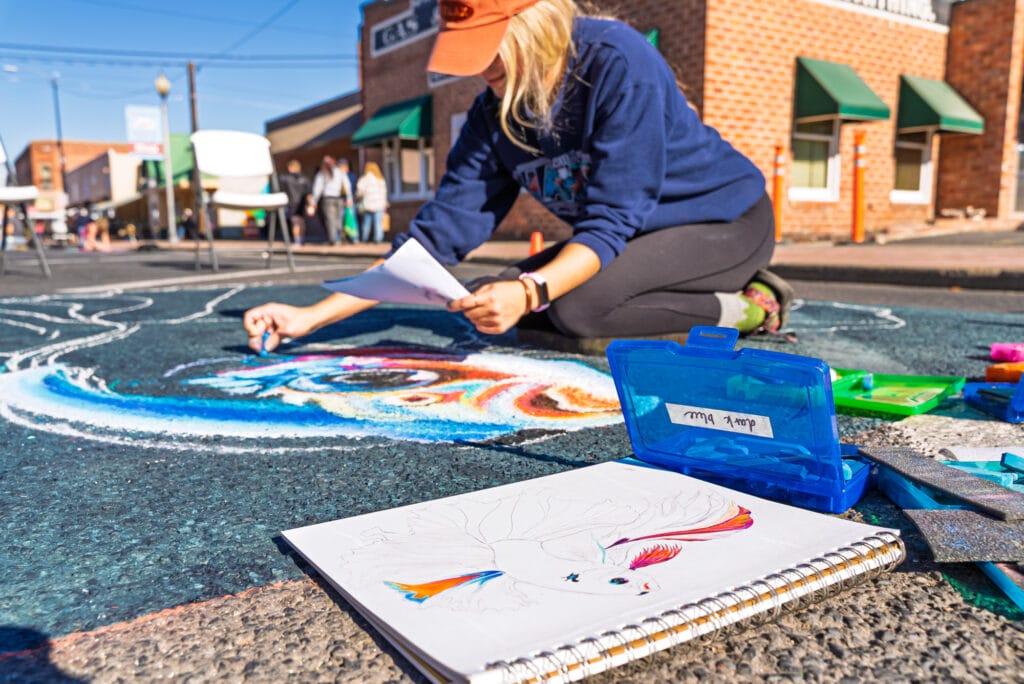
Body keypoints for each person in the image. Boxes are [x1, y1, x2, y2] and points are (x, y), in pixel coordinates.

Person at [244, 0, 793, 354]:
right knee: (484, 302)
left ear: (535, 20)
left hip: (724, 223)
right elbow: (430, 244)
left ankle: (748, 307)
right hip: (638, 239)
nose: (483, 68)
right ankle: (616, 300)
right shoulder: (493, 111)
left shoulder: (615, 60)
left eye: (490, 44)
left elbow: (610, 221)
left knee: (576, 308)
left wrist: (531, 290)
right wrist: (310, 318)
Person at [311, 155, 350, 245]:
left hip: (328, 199)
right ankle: (341, 235)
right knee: (338, 219)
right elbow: (347, 186)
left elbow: (317, 188)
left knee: (330, 220)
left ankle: (333, 239)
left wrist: (314, 201)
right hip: (339, 198)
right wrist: (349, 198)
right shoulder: (340, 172)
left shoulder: (322, 173)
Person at [278, 159, 312, 246]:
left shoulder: (285, 178)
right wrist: (310, 204)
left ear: (290, 168)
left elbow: (280, 190)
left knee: (295, 223)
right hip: (303, 203)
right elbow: (309, 193)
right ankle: (301, 239)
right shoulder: (305, 178)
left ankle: (297, 241)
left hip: (292, 203)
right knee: (301, 222)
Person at [355, 161, 389, 243]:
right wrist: (385, 204)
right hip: (379, 204)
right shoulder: (380, 180)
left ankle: (364, 239)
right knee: (378, 223)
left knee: (366, 223)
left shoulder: (364, 179)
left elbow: (359, 192)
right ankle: (378, 239)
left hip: (367, 204)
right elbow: (384, 193)